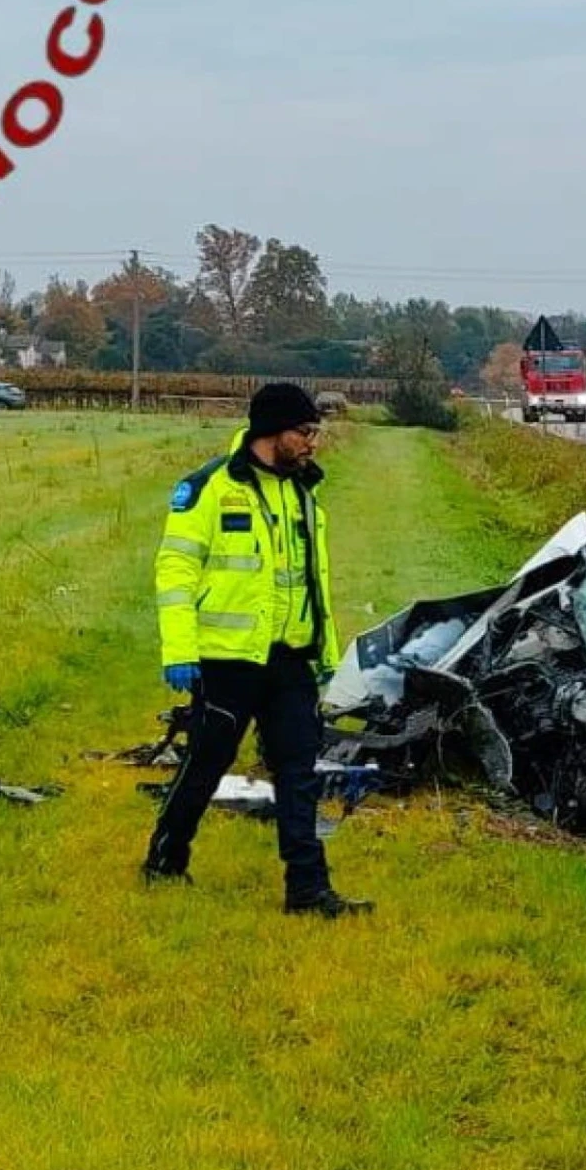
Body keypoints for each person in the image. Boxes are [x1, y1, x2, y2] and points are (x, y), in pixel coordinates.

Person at [141, 382, 372, 917]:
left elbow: (312, 580)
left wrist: (326, 653)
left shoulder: (302, 492)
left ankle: (308, 891)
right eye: (305, 432)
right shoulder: (209, 489)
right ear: (274, 432)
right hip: (227, 662)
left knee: (299, 773)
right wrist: (180, 649)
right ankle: (164, 861)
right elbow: (174, 571)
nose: (314, 442)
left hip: (289, 659)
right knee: (205, 764)